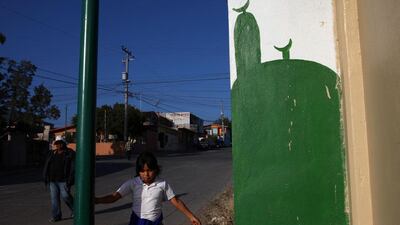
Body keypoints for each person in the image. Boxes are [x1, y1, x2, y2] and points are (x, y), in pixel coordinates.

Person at [95, 151, 202, 225]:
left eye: (149, 170)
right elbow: (114, 197)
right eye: (142, 171)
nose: (146, 174)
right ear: (138, 171)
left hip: (156, 222)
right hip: (137, 222)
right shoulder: (133, 183)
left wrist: (191, 216)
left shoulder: (162, 184)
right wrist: (98, 200)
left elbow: (176, 201)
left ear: (156, 169)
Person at [43, 136, 75, 222]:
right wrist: (46, 177)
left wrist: (70, 179)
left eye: (59, 143)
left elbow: (73, 167)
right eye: (56, 143)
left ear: (63, 144)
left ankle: (75, 210)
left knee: (66, 196)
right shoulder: (51, 153)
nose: (57, 145)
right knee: (54, 199)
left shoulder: (69, 153)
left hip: (64, 180)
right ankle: (56, 216)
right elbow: (47, 165)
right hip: (52, 180)